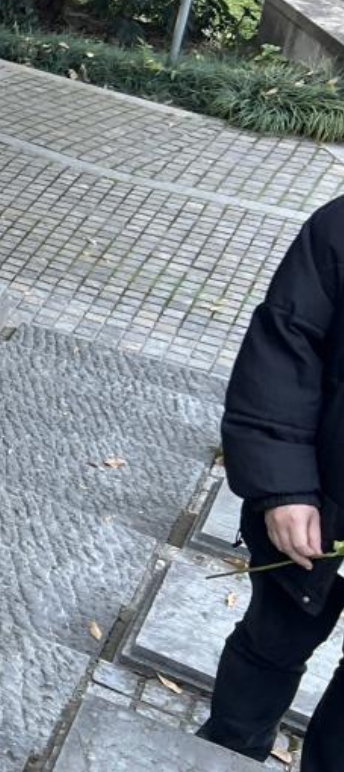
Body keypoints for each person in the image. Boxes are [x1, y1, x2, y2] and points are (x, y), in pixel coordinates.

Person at [197, 198, 344, 769]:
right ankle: (227, 751)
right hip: (315, 509)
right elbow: (283, 350)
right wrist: (284, 488)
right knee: (269, 644)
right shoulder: (338, 228)